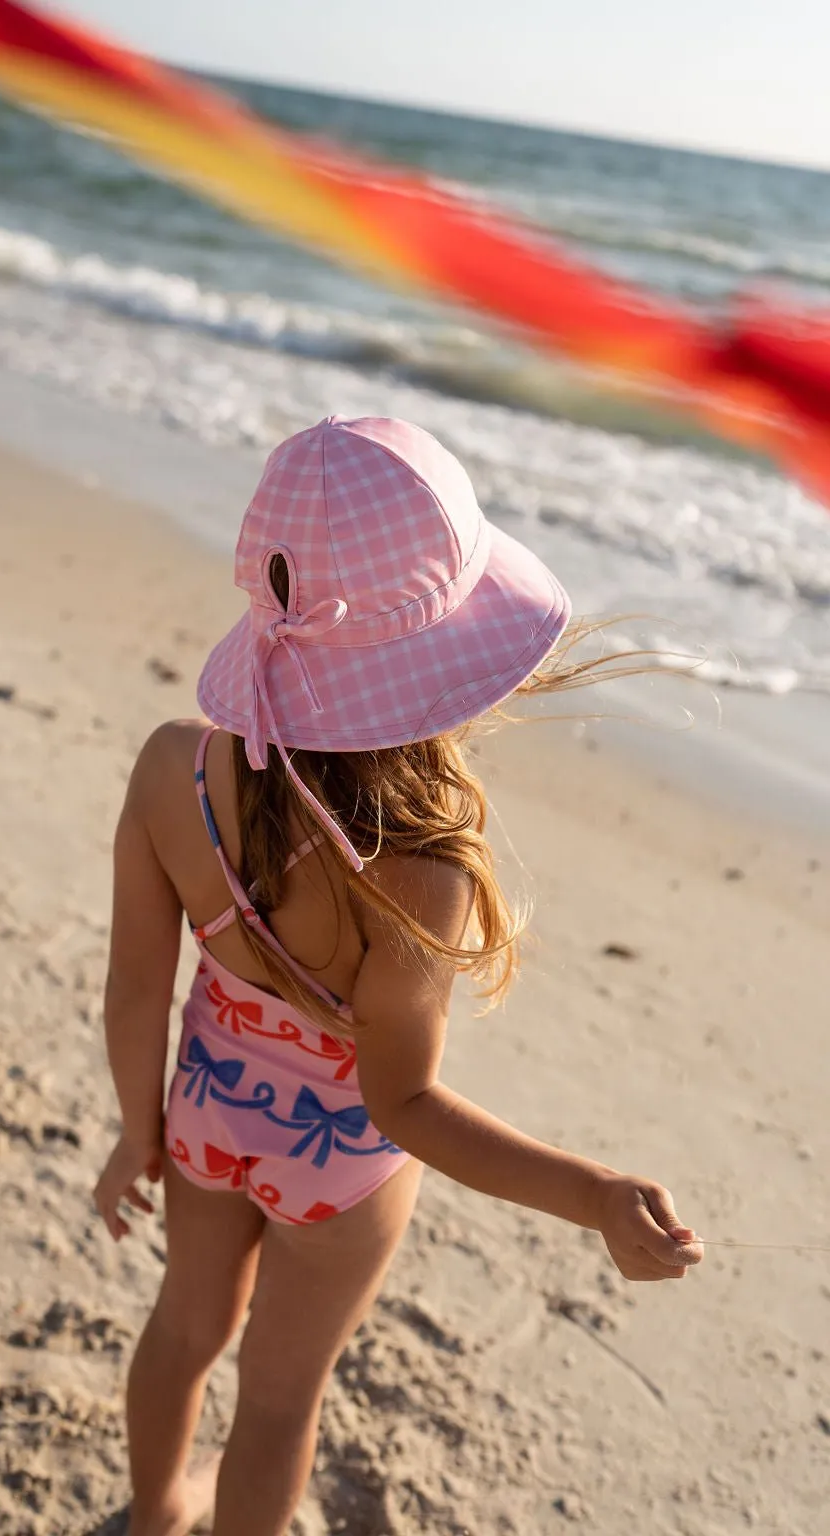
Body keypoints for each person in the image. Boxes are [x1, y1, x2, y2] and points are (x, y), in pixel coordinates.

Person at [94, 416, 704, 1536]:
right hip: (337, 1171)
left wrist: (139, 1131)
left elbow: (136, 991)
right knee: (278, 1405)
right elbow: (404, 1101)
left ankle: (151, 1514)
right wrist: (594, 1195)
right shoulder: (419, 873)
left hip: (204, 1121)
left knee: (182, 1333)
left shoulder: (168, 768)